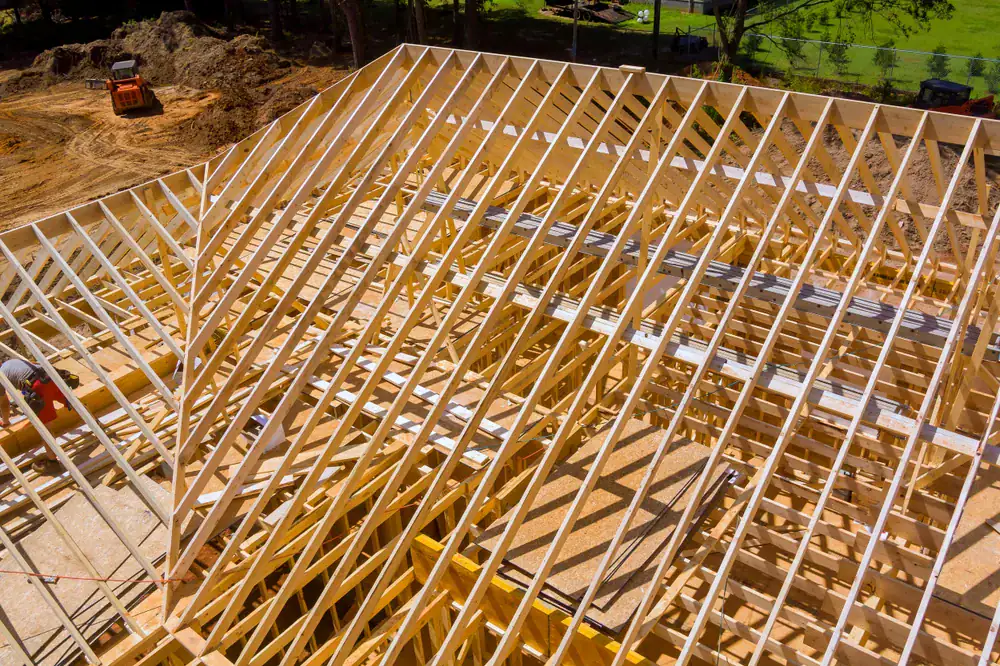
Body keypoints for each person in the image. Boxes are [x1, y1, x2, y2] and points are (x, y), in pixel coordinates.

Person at [0, 358, 71, 470]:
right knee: (73, 403)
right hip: (49, 376)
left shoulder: (0, 376)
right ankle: (97, 425)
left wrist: (5, 421)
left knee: (45, 428)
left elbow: (4, 404)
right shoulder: (11, 362)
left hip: (38, 387)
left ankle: (52, 463)